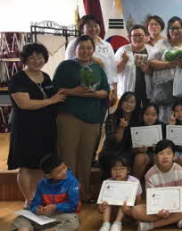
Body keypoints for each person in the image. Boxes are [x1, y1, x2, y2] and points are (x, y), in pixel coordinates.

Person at [7, 43, 66, 207]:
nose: (36, 61)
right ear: (25, 59)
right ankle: (29, 199)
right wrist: (51, 101)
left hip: (45, 127)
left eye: (40, 57)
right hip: (26, 128)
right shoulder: (18, 79)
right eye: (32, 58)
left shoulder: (45, 77)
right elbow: (24, 104)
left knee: (42, 165)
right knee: (26, 166)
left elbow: (55, 97)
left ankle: (38, 197)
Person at [53, 35, 110, 201]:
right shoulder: (65, 66)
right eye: (82, 47)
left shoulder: (98, 68)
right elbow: (54, 89)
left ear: (93, 49)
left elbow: (106, 91)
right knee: (68, 156)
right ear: (75, 49)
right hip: (69, 115)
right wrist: (73, 92)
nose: (85, 51)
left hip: (92, 118)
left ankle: (83, 193)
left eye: (89, 48)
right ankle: (68, 195)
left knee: (86, 158)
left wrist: (95, 93)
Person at [0, 155, 80, 231]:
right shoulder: (42, 184)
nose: (64, 172)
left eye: (64, 167)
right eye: (59, 171)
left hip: (62, 215)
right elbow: (34, 203)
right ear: (48, 176)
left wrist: (55, 207)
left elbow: (73, 205)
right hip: (43, 217)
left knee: (73, 224)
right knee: (22, 218)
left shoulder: (72, 182)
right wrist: (37, 209)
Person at [132, 140, 182, 231]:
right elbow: (152, 199)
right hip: (157, 209)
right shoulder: (150, 175)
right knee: (136, 211)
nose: (165, 157)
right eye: (161, 153)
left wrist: (171, 209)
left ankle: (150, 225)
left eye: (168, 153)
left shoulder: (179, 171)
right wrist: (158, 211)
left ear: (174, 156)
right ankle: (176, 219)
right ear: (156, 156)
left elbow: (180, 197)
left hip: (175, 207)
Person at [148, 16, 182, 122]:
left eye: (178, 28)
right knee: (164, 120)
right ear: (168, 30)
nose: (175, 31)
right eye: (172, 28)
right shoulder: (161, 44)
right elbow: (151, 62)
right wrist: (169, 65)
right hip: (163, 90)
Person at [65, 15, 118, 102]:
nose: (93, 29)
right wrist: (90, 58)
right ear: (82, 28)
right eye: (89, 26)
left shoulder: (107, 45)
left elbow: (113, 68)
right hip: (82, 89)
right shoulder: (74, 44)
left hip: (105, 89)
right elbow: (69, 66)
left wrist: (114, 88)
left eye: (96, 25)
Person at [94, 156, 143, 231]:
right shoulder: (108, 183)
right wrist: (101, 208)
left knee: (123, 199)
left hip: (128, 210)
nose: (118, 172)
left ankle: (117, 224)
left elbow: (138, 199)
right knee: (106, 201)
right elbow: (99, 206)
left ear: (128, 170)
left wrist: (136, 216)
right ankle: (105, 225)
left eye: (122, 168)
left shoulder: (134, 181)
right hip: (112, 212)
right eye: (114, 169)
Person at [98, 92, 140, 180]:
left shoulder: (137, 120)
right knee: (115, 159)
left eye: (132, 102)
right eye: (126, 101)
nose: (128, 104)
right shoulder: (112, 117)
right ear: (121, 102)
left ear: (136, 105)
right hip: (111, 151)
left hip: (128, 152)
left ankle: (133, 184)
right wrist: (121, 128)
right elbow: (113, 142)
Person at [115, 24, 153, 109]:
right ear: (130, 37)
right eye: (134, 35)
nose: (137, 38)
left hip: (147, 94)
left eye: (140, 35)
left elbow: (157, 73)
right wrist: (124, 60)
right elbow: (115, 71)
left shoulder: (151, 50)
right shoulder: (123, 50)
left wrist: (148, 71)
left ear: (146, 37)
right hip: (128, 93)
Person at [131, 103, 165, 181]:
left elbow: (167, 146)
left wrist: (159, 148)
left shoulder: (162, 126)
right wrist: (138, 149)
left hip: (156, 154)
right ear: (142, 115)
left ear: (157, 116)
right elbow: (131, 147)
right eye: (147, 114)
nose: (150, 117)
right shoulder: (137, 126)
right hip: (142, 154)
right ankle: (135, 183)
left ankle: (156, 184)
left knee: (158, 157)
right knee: (140, 158)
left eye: (153, 115)